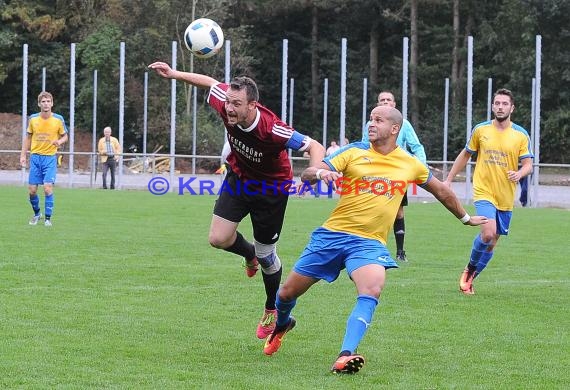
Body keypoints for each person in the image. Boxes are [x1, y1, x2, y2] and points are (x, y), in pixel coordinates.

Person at [263, 105, 487, 373]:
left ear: (395, 129)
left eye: (378, 120)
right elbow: (309, 173)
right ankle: (282, 324)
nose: (371, 124)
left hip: (368, 243)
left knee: (372, 289)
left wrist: (466, 219)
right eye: (370, 119)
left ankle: (345, 354)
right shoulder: (354, 151)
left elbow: (442, 191)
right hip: (332, 236)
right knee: (286, 293)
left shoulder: (409, 162)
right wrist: (323, 173)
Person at [148, 61, 326, 339]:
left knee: (269, 257)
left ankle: (271, 308)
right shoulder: (224, 102)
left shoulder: (272, 128)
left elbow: (314, 145)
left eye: (237, 104)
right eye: (228, 102)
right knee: (218, 238)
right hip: (239, 177)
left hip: (271, 189)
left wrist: (315, 169)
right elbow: (209, 83)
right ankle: (249, 254)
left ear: (252, 105)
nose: (229, 108)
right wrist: (173, 74)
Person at [444, 88, 533, 295]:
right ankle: (469, 270)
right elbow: (465, 155)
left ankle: (471, 277)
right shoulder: (481, 130)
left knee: (492, 243)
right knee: (487, 233)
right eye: (497, 103)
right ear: (492, 106)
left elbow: (528, 164)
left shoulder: (520, 134)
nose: (500, 107)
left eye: (504, 104)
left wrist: (519, 174)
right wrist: (448, 179)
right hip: (484, 191)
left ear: (512, 108)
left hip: (505, 196)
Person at [361, 91, 427, 262]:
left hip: (397, 173)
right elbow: (363, 146)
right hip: (375, 173)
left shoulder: (404, 124)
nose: (385, 102)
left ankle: (400, 251)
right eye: (381, 100)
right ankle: (371, 247)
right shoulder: (370, 124)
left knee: (397, 212)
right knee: (373, 209)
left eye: (388, 100)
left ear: (394, 104)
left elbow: (416, 146)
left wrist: (421, 166)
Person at [20, 91, 68, 227]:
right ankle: (37, 214)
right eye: (43, 101)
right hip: (35, 158)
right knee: (32, 190)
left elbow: (65, 136)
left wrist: (59, 141)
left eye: (48, 101)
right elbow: (28, 138)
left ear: (52, 103)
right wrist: (23, 155)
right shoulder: (33, 119)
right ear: (39, 104)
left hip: (49, 158)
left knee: (47, 188)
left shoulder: (58, 119)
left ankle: (48, 219)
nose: (46, 104)